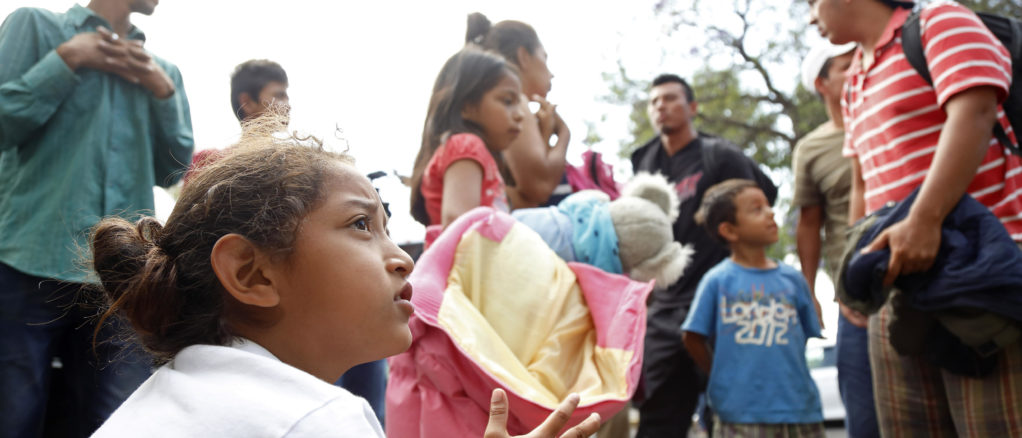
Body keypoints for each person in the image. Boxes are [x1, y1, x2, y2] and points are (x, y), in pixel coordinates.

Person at [87, 124, 601, 437]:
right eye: (361, 225)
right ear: (252, 273)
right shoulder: (316, 420)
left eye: (389, 230)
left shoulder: (168, 397)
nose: (403, 259)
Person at [809, 0, 1022, 435]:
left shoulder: (939, 21)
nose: (810, 15)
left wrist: (925, 219)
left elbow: (975, 112)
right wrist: (856, 267)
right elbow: (863, 182)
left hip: (983, 270)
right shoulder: (852, 83)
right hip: (897, 283)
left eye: (811, 2)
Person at [0, 1, 193, 436]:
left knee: (116, 424)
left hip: (117, 283)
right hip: (24, 264)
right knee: (11, 417)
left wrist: (161, 90)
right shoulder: (35, 26)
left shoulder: (162, 71)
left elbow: (174, 172)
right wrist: (66, 60)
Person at [629, 73, 777, 437]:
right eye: (654, 102)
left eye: (670, 98)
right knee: (659, 417)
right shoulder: (644, 163)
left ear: (693, 107)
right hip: (663, 309)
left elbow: (758, 204)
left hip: (720, 301)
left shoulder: (720, 156)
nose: (660, 106)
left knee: (730, 412)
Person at [683, 179, 824, 437]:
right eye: (756, 209)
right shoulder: (717, 280)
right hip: (739, 415)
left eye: (768, 206)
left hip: (800, 410)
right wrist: (721, 374)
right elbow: (692, 337)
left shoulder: (793, 279)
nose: (770, 212)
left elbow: (803, 336)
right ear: (729, 230)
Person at [793, 41, 880, 437]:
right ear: (821, 83)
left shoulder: (889, 120)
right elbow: (809, 223)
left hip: (915, 276)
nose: (858, 68)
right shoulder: (811, 148)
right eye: (846, 65)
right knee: (864, 414)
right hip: (855, 296)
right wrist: (810, 292)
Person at [409, 47, 524, 242]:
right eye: (507, 101)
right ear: (467, 106)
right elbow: (459, 222)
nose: (519, 114)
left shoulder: (473, 151)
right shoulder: (466, 145)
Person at [466, 13, 571, 208]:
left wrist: (545, 134)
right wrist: (564, 133)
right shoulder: (517, 104)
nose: (551, 73)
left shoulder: (493, 106)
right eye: (544, 58)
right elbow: (540, 187)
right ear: (524, 57)